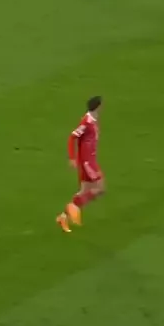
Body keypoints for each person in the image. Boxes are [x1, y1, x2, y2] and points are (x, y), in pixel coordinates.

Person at [57, 96, 105, 233]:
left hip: (90, 160)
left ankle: (63, 217)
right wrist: (72, 157)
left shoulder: (93, 119)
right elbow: (72, 137)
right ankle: (73, 208)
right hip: (87, 162)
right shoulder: (87, 122)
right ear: (98, 106)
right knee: (100, 188)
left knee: (84, 191)